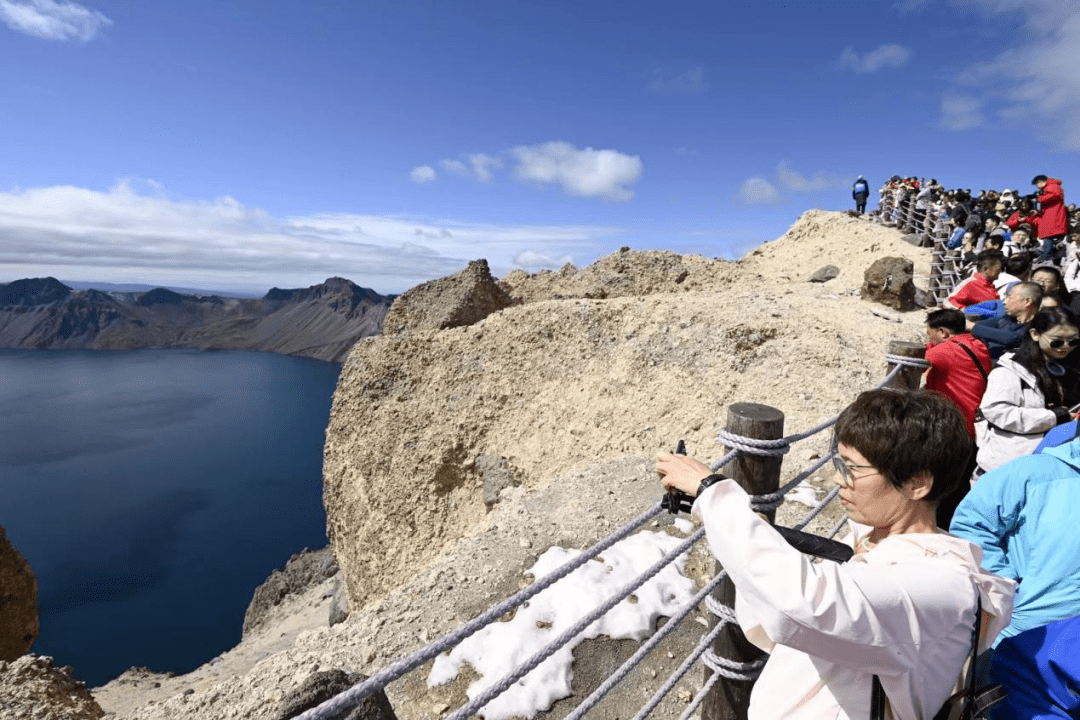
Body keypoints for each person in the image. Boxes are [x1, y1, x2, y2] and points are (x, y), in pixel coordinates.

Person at [657, 389, 1014, 720]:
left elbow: (803, 605)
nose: (840, 480)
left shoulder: (939, 585)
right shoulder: (883, 542)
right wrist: (750, 529)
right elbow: (782, 621)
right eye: (838, 463)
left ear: (917, 483)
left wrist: (715, 496)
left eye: (853, 468)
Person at [974, 307, 1080, 475]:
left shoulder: (1070, 367)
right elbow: (997, 412)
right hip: (1009, 465)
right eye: (1057, 341)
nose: (1065, 347)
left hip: (1054, 462)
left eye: (1073, 341)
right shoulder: (1010, 370)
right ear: (1035, 334)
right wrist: (1054, 417)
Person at [923, 309, 991, 526]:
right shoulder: (976, 345)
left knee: (941, 485)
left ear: (942, 332)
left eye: (930, 334)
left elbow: (917, 358)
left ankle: (937, 528)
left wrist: (929, 347)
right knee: (960, 484)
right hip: (974, 428)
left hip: (954, 427)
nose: (929, 338)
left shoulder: (948, 351)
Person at [971, 281, 1042, 361]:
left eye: (1009, 297)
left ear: (1027, 301)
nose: (1004, 302)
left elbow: (1011, 337)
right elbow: (983, 325)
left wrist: (972, 327)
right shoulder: (1007, 318)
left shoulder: (1039, 325)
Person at [1032, 175, 1067, 264]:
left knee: (1049, 236)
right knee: (1048, 236)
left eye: (1036, 184)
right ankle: (1046, 254)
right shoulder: (1050, 187)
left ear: (1040, 182)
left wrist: (1040, 198)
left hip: (1053, 216)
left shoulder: (1052, 186)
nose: (1037, 186)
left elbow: (1055, 195)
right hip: (1050, 215)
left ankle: (1046, 255)